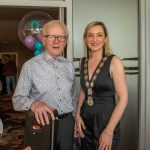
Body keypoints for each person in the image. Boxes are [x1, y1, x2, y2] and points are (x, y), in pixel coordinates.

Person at [12, 20, 77, 150]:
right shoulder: (30, 66)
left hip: (67, 124)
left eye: (61, 37)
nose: (56, 41)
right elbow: (17, 100)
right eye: (51, 36)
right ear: (43, 40)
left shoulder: (69, 66)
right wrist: (34, 104)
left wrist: (74, 121)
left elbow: (73, 97)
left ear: (65, 41)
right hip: (43, 123)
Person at [75, 21, 128, 150]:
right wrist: (77, 115)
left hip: (106, 120)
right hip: (85, 118)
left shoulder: (114, 61)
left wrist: (109, 131)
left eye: (99, 35)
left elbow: (123, 99)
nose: (94, 39)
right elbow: (85, 89)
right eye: (90, 35)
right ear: (85, 38)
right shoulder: (82, 62)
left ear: (105, 39)